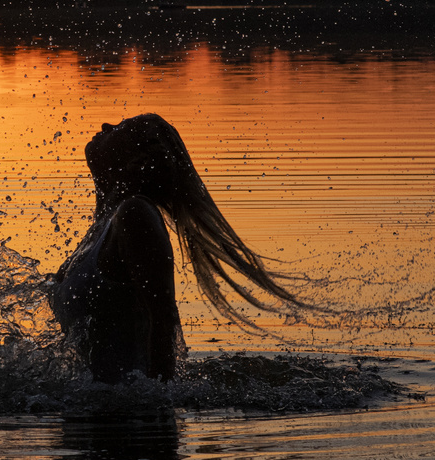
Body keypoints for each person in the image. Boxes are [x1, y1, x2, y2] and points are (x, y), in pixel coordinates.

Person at [50, 114, 302, 382]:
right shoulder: (100, 228)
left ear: (137, 160)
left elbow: (164, 318)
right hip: (94, 413)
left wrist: (160, 409)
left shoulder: (134, 215)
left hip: (130, 417)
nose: (106, 126)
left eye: (122, 127)